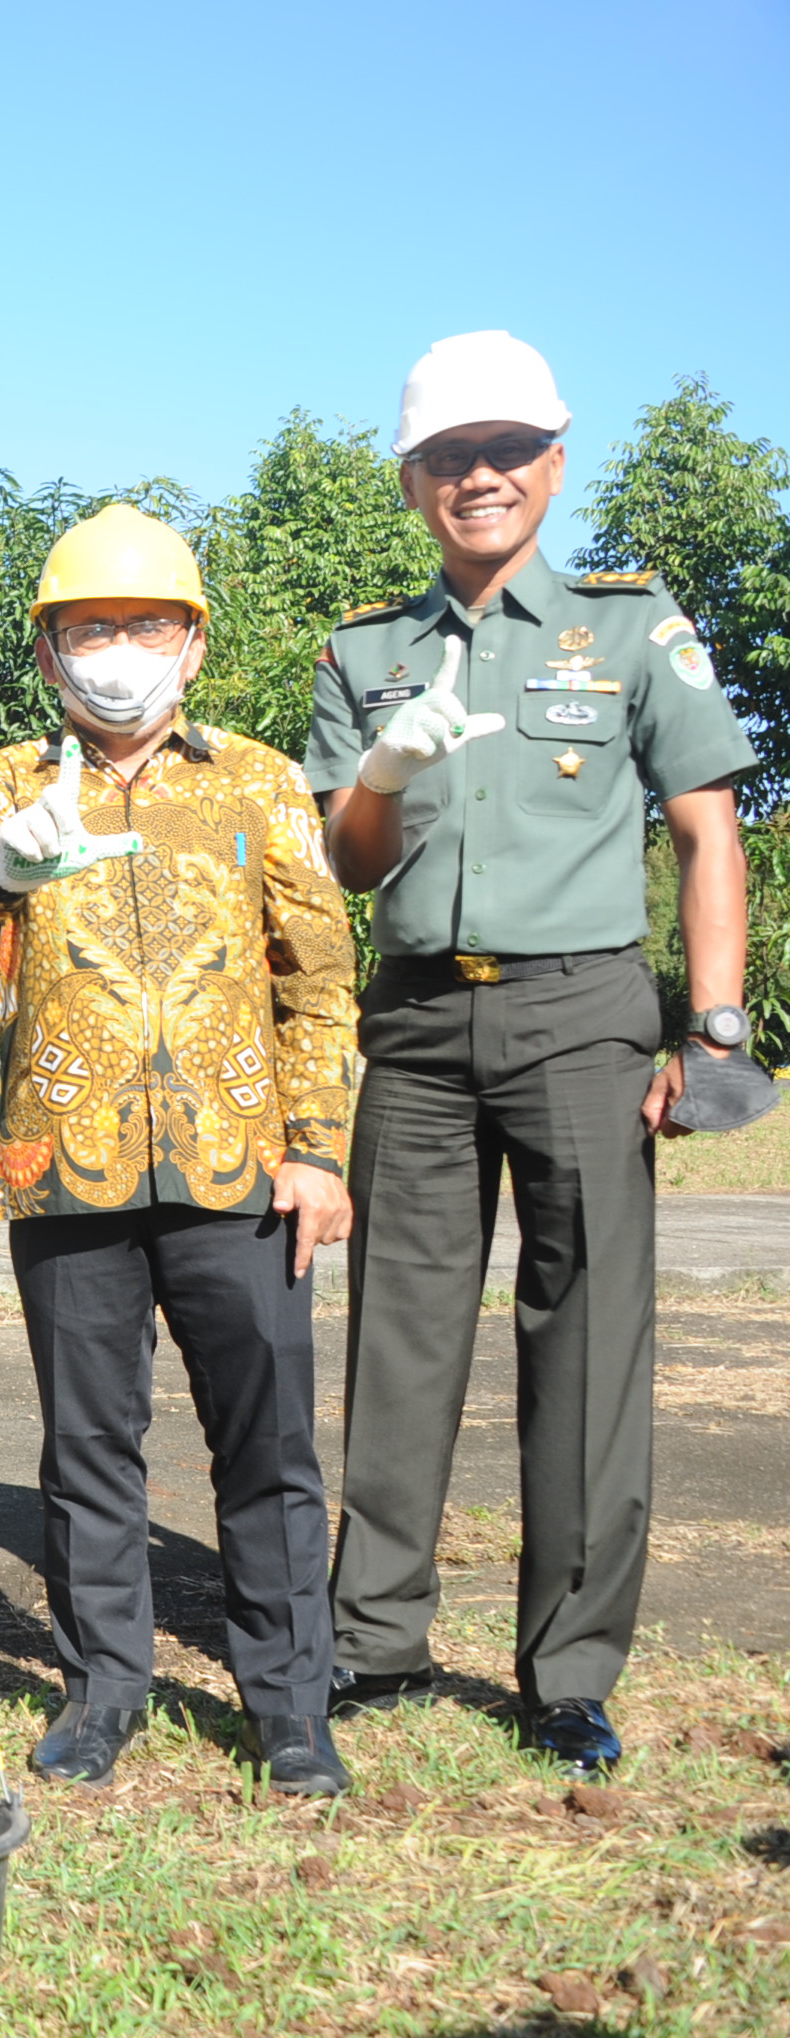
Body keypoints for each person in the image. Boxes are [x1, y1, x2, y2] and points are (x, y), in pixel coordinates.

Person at [308, 332, 765, 1778]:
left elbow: (707, 832)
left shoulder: (632, 627)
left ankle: (569, 1669)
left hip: (584, 1015)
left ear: (554, 466)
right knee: (401, 1337)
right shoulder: (364, 652)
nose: (481, 476)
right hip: (422, 1019)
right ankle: (376, 1644)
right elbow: (343, 857)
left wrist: (716, 1026)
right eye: (450, 455)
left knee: (586, 1338)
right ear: (411, 480)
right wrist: (385, 772)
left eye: (508, 451)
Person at [0, 505, 358, 1794]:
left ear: (193, 641)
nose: (119, 649)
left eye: (144, 624)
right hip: (68, 1166)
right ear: (50, 649)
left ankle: (287, 1704)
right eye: (90, 627)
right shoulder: (8, 778)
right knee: (87, 1443)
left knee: (269, 1441)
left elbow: (321, 979)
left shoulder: (261, 782)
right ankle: (102, 1686)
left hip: (243, 1166)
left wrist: (320, 1150)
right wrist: (3, 866)